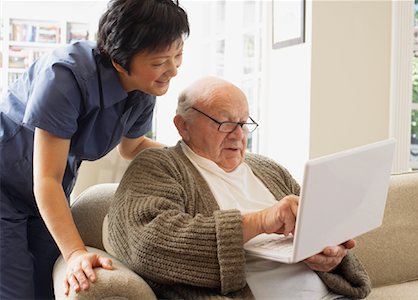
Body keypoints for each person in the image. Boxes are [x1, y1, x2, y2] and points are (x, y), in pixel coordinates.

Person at [106, 76, 372, 299]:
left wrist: (332, 254)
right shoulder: (159, 166)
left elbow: (319, 228)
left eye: (243, 123)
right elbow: (148, 242)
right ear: (182, 126)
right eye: (224, 123)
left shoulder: (268, 169)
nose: (238, 135)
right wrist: (262, 221)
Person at [0, 0, 189, 298]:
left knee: (49, 284)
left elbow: (133, 146)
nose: (173, 70)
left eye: (178, 55)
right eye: (159, 62)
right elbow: (46, 177)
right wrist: (75, 252)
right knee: (17, 289)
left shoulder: (143, 90)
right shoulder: (64, 76)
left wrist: (188, 157)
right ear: (119, 60)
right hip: (7, 185)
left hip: (48, 192)